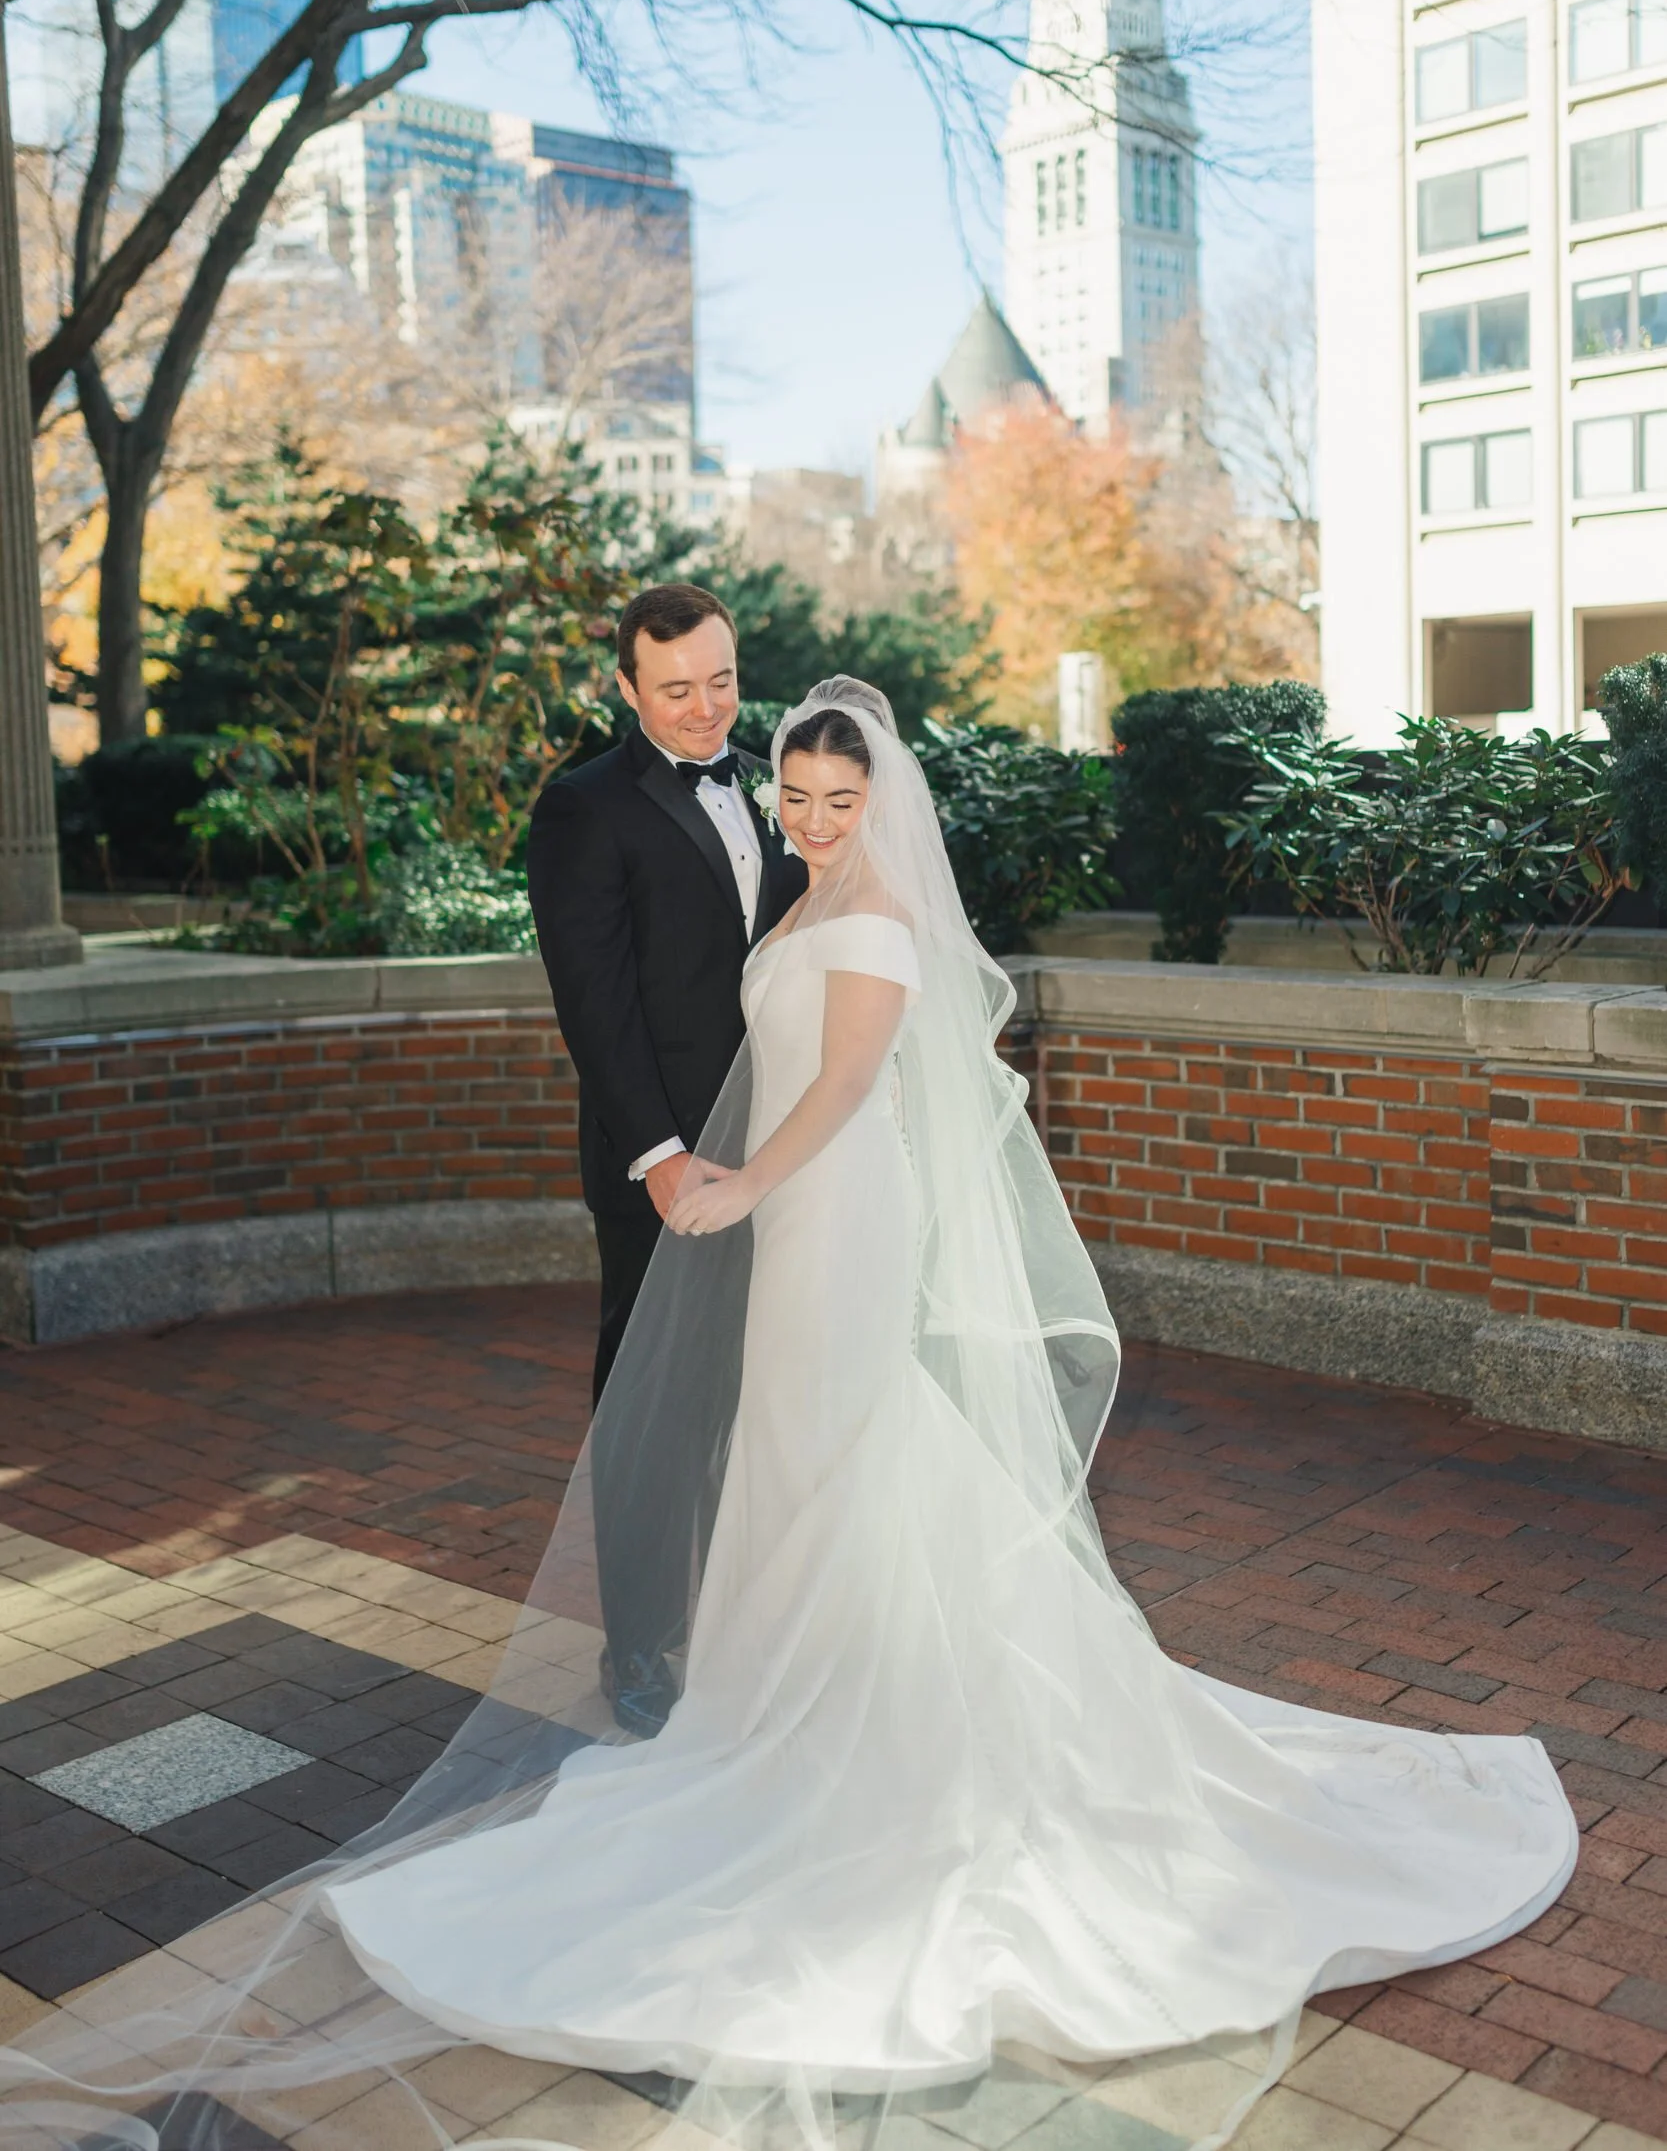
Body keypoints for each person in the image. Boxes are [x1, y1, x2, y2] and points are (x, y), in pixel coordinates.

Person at [0, 679, 1579, 2151]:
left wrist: (747, 1175)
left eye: (839, 799)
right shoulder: (804, 896)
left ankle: (880, 1724)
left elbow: (838, 1090)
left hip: (833, 1206)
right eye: (799, 796)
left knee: (848, 1442)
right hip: (791, 1222)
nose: (815, 821)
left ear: (878, 802)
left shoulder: (876, 920)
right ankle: (772, 1704)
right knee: (795, 1451)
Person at [526, 584, 806, 1732]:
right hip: (668, 1169)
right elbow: (594, 1004)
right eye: (676, 689)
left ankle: (757, 1625)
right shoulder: (582, 808)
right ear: (628, 687)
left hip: (783, 1156)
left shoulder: (786, 784)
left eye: (721, 681)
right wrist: (660, 1158)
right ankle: (639, 1648)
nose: (704, 710)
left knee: (768, 1396)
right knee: (652, 1412)